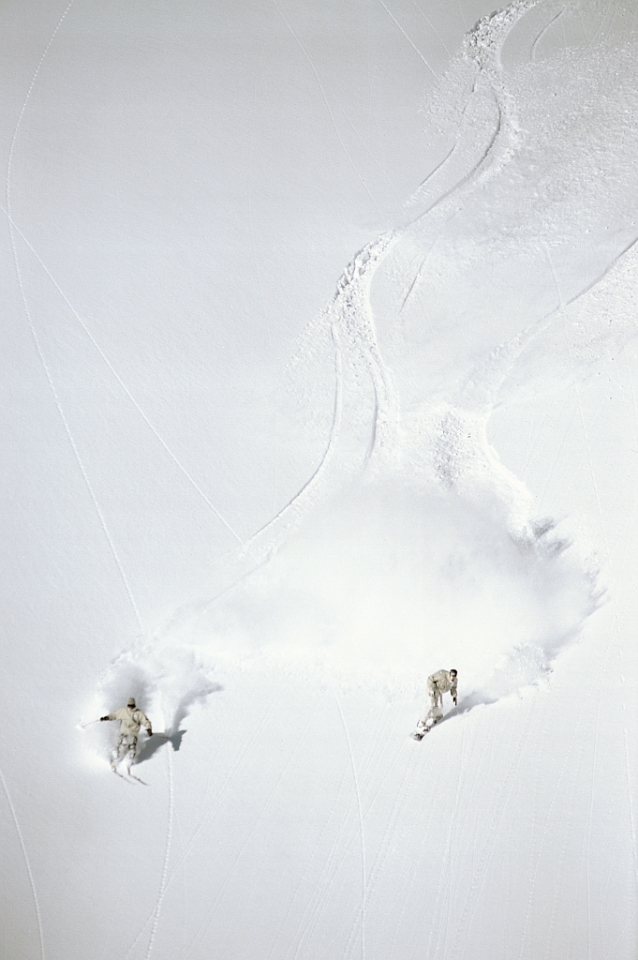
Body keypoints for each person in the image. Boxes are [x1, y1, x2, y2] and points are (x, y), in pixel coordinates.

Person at [101, 697, 153, 770]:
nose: (131, 707)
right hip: (124, 732)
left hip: (133, 734)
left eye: (132, 705)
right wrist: (106, 717)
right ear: (127, 705)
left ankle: (130, 760)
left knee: (132, 746)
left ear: (134, 705)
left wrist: (149, 729)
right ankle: (116, 757)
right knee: (122, 743)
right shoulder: (123, 711)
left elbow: (146, 721)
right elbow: (114, 715)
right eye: (129, 705)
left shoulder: (138, 713)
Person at [414, 669, 458, 738]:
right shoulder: (442, 675)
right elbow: (430, 679)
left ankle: (436, 716)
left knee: (440, 706)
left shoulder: (454, 681)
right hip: (431, 689)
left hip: (438, 691)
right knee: (430, 705)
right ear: (449, 674)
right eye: (451, 676)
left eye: (454, 676)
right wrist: (431, 689)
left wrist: (454, 696)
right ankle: (421, 723)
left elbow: (453, 688)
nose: (452, 678)